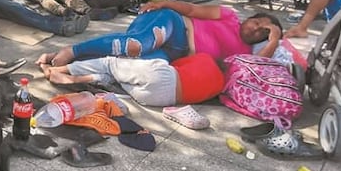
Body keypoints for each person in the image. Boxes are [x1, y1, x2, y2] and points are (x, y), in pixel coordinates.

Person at [41, 0, 282, 67]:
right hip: (172, 24)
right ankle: (70, 50)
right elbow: (192, 9)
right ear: (248, 18)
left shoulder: (245, 55)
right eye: (256, 22)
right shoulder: (228, 15)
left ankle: (59, 62)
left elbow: (260, 67)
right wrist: (163, 3)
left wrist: (274, 38)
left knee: (125, 66)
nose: (256, 28)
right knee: (137, 45)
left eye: (262, 32)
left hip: (174, 55)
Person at [41, 52, 224, 108]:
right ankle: (80, 78)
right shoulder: (219, 87)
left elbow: (176, 63)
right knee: (114, 81)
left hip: (166, 77)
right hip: (161, 100)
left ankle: (58, 70)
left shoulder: (206, 58)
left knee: (109, 63)